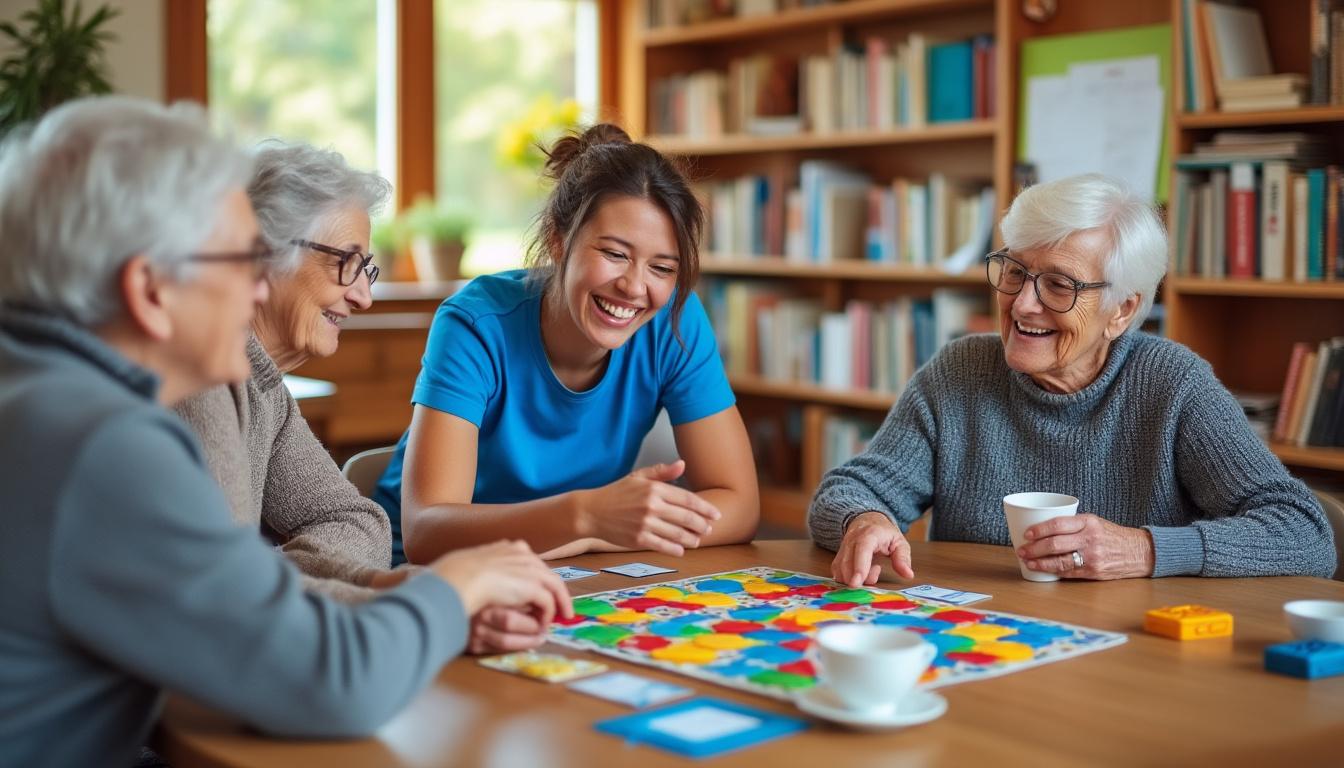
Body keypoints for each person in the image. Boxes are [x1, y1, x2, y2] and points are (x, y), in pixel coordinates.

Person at [0, 96, 570, 766]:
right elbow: (337, 683)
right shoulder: (107, 444)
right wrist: (455, 586)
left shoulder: (41, 388)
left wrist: (370, 589)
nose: (258, 290)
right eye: (240, 260)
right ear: (151, 290)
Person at [809, 173, 1335, 585]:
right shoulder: (961, 372)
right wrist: (865, 520)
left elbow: (1305, 534)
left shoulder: (1174, 386)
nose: (1022, 303)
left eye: (1059, 285)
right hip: (988, 637)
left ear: (1121, 311)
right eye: (1014, 271)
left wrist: (1145, 550)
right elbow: (849, 488)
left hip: (1137, 655)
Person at [373, 124, 759, 565]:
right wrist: (584, 517)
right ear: (559, 240)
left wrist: (593, 535)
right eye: (614, 254)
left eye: (662, 267)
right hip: (430, 578)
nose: (635, 287)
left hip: (571, 568)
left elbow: (739, 505)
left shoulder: (675, 321)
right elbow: (426, 531)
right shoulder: (475, 324)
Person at [175, 142, 401, 601]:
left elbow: (359, 523)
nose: (363, 297)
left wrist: (269, 572)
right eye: (346, 263)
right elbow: (217, 596)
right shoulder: (198, 380)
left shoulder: (266, 388)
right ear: (264, 253)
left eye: (367, 269)